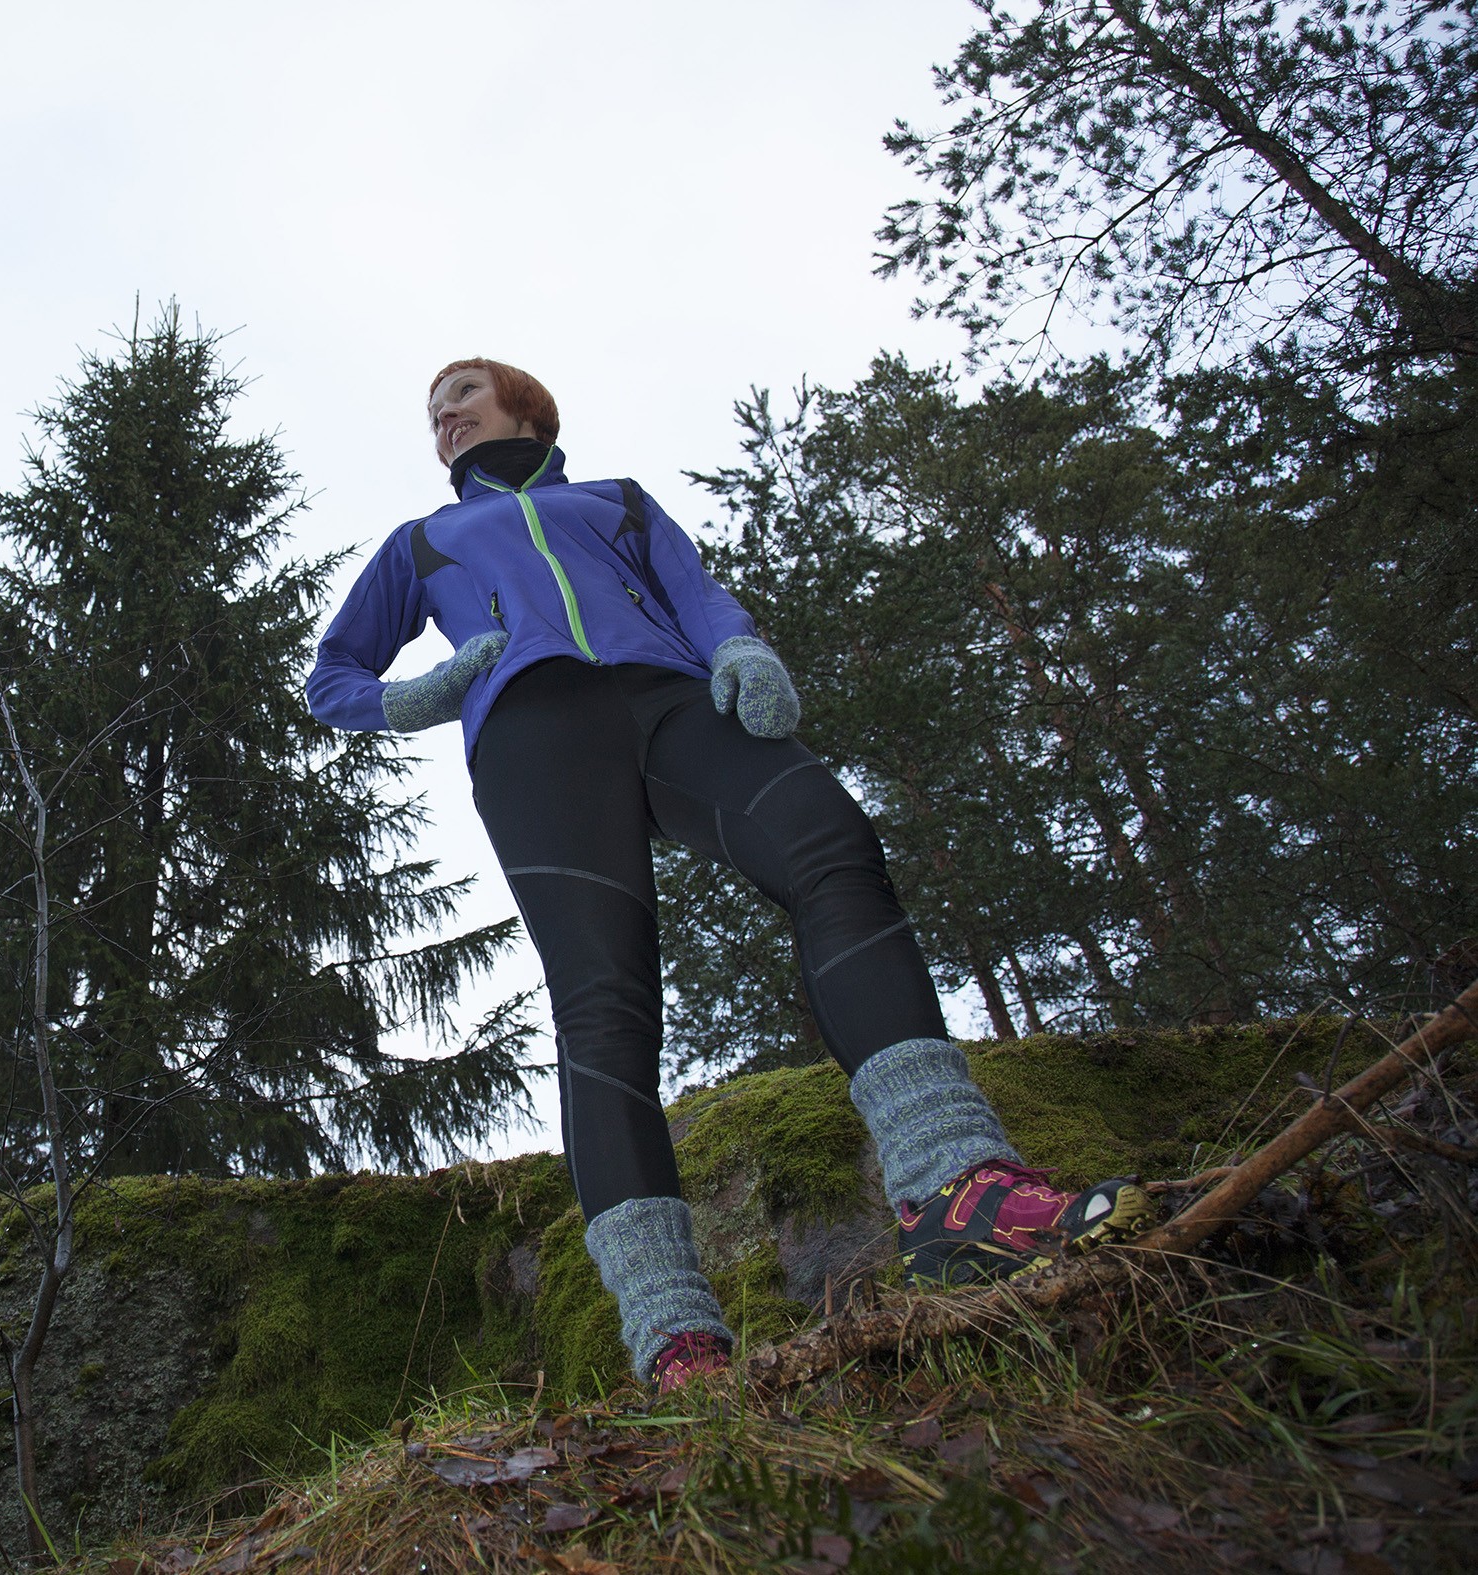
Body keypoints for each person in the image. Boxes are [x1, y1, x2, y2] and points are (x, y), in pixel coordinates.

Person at [305, 359, 1152, 1390]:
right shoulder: (421, 543)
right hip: (532, 736)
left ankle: (959, 1192)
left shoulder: (614, 502)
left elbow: (697, 592)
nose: (441, 419)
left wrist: (741, 650)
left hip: (671, 701)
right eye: (431, 414)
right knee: (603, 1003)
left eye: (460, 398)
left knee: (832, 846)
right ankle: (675, 1340)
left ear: (523, 406)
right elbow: (332, 677)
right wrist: (423, 693)